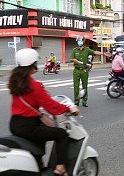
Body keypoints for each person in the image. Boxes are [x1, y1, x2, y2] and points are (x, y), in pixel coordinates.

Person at [8, 48, 80, 176]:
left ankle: (38, 163)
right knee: (61, 134)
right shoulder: (34, 85)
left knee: (42, 135)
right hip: (28, 126)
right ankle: (60, 168)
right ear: (33, 64)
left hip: (15, 123)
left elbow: (29, 101)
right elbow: (51, 106)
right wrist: (69, 109)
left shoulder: (16, 81)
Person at [70, 35, 111, 107]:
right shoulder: (74, 50)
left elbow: (95, 52)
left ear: (83, 42)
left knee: (84, 86)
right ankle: (76, 101)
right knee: (76, 86)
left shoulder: (87, 50)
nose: (79, 42)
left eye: (81, 41)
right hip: (76, 70)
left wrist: (103, 53)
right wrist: (74, 60)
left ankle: (84, 101)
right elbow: (71, 58)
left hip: (84, 71)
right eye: (78, 41)